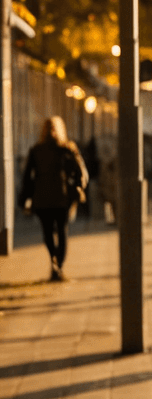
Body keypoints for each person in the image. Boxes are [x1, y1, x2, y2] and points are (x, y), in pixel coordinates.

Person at [20, 117, 88, 282]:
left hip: (46, 198)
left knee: (49, 233)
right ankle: (57, 264)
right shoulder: (64, 149)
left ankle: (55, 262)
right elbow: (80, 172)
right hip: (59, 197)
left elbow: (28, 177)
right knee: (59, 232)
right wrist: (77, 188)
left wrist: (24, 199)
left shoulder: (39, 150)